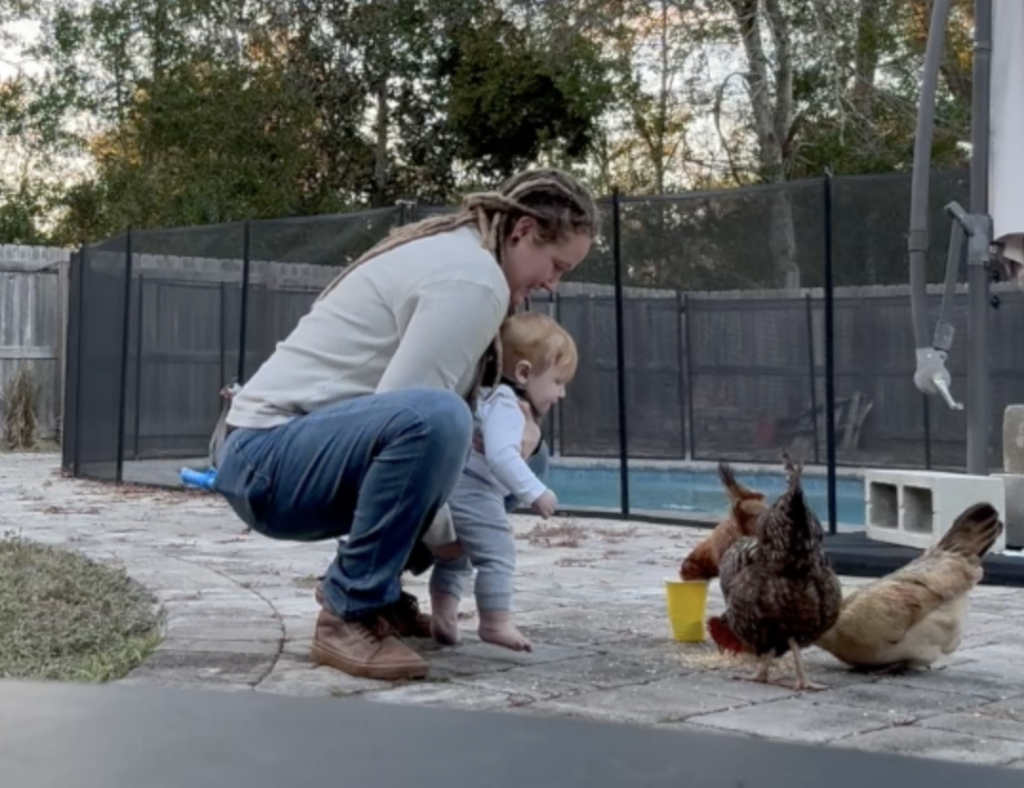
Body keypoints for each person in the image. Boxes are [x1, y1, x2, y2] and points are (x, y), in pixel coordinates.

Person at [211, 168, 599, 681]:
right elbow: (411, 416)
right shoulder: (473, 279)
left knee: (522, 452)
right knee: (438, 418)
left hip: (289, 453)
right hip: (265, 459)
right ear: (523, 231)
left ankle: (378, 595)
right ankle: (349, 611)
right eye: (556, 266)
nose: (552, 284)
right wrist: (449, 535)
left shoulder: (467, 258)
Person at [429, 312, 577, 653]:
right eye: (557, 381)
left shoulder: (482, 396)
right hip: (474, 490)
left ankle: (444, 617)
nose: (562, 393)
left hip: (452, 483)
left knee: (456, 557)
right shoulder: (507, 405)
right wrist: (536, 492)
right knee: (498, 555)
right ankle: (495, 622)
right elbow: (501, 456)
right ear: (524, 373)